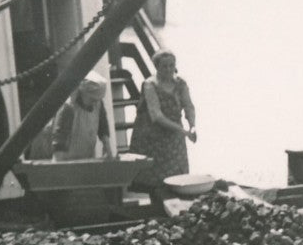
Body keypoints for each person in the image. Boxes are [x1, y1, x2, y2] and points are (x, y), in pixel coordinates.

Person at [130, 48, 196, 213]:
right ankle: (156, 210)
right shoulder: (150, 84)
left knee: (177, 176)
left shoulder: (180, 83)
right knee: (154, 179)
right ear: (157, 67)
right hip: (152, 136)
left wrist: (192, 125)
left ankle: (174, 210)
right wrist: (182, 131)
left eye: (171, 65)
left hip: (174, 136)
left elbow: (188, 105)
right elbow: (156, 116)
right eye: (164, 66)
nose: (168, 69)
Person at [50, 73, 114, 161]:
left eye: (98, 100)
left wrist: (107, 148)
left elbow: (103, 128)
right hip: (67, 162)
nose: (95, 103)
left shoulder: (98, 104)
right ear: (83, 93)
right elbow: (59, 143)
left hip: (87, 160)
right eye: (93, 99)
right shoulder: (68, 108)